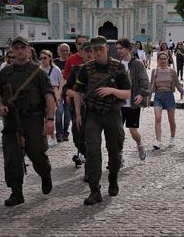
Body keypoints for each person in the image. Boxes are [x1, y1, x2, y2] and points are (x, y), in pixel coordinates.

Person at [0, 36, 55, 206]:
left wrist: (50, 119)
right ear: (12, 50)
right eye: (16, 48)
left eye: (22, 47)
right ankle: (16, 192)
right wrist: (0, 106)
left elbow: (49, 96)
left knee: (37, 154)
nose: (19, 51)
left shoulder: (38, 71)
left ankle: (45, 175)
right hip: (12, 120)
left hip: (33, 119)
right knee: (12, 156)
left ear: (28, 50)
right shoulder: (5, 72)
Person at [74, 36, 131, 204]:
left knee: (114, 151)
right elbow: (77, 91)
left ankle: (113, 178)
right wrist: (77, 114)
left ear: (107, 48)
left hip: (112, 113)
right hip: (93, 114)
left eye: (101, 49)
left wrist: (111, 90)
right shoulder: (86, 68)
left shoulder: (118, 67)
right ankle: (94, 190)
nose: (98, 52)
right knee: (92, 152)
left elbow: (127, 93)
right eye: (94, 49)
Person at [62, 41, 94, 174]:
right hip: (78, 109)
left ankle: (90, 169)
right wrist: (75, 94)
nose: (89, 54)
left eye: (91, 51)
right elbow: (65, 89)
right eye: (86, 51)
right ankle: (84, 153)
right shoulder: (76, 70)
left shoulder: (102, 70)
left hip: (95, 110)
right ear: (81, 53)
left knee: (92, 137)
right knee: (77, 134)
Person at [116, 38, 150, 161]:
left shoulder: (137, 64)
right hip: (119, 104)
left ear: (129, 49)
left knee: (133, 131)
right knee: (117, 132)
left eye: (121, 48)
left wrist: (141, 94)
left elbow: (145, 82)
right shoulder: (116, 64)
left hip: (132, 104)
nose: (118, 51)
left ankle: (140, 145)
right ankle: (119, 156)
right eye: (117, 48)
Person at [149, 52, 184, 150]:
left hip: (169, 95)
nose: (163, 61)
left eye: (165, 59)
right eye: (161, 59)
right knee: (157, 118)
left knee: (171, 119)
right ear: (158, 60)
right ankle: (158, 140)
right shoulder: (154, 71)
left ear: (168, 59)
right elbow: (151, 85)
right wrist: (147, 98)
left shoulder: (172, 71)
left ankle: (172, 138)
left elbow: (177, 84)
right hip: (158, 96)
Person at [40, 50, 62, 147]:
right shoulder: (38, 69)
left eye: (45, 58)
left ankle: (52, 136)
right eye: (41, 58)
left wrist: (58, 97)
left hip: (53, 95)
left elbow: (59, 84)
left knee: (50, 116)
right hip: (41, 95)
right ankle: (47, 137)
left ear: (50, 58)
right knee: (42, 117)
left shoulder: (56, 69)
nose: (43, 60)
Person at [54, 43, 71, 142]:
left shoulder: (70, 62)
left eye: (66, 51)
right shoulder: (54, 63)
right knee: (59, 113)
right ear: (58, 51)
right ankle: (59, 133)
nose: (64, 52)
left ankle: (65, 133)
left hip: (68, 91)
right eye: (62, 50)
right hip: (58, 92)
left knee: (68, 115)